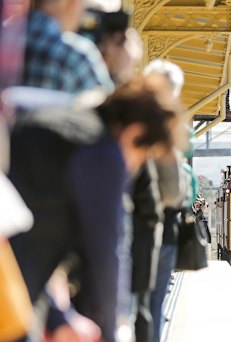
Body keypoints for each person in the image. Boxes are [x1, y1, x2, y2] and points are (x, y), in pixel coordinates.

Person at [9, 75, 176, 342]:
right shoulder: (102, 152)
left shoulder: (57, 120)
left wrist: (59, 317)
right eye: (143, 156)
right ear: (135, 133)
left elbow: (24, 242)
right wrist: (113, 330)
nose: (134, 169)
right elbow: (108, 250)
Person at [22, 0, 114, 94]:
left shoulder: (8, 39)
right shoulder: (77, 55)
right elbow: (106, 105)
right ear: (71, 2)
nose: (84, 11)